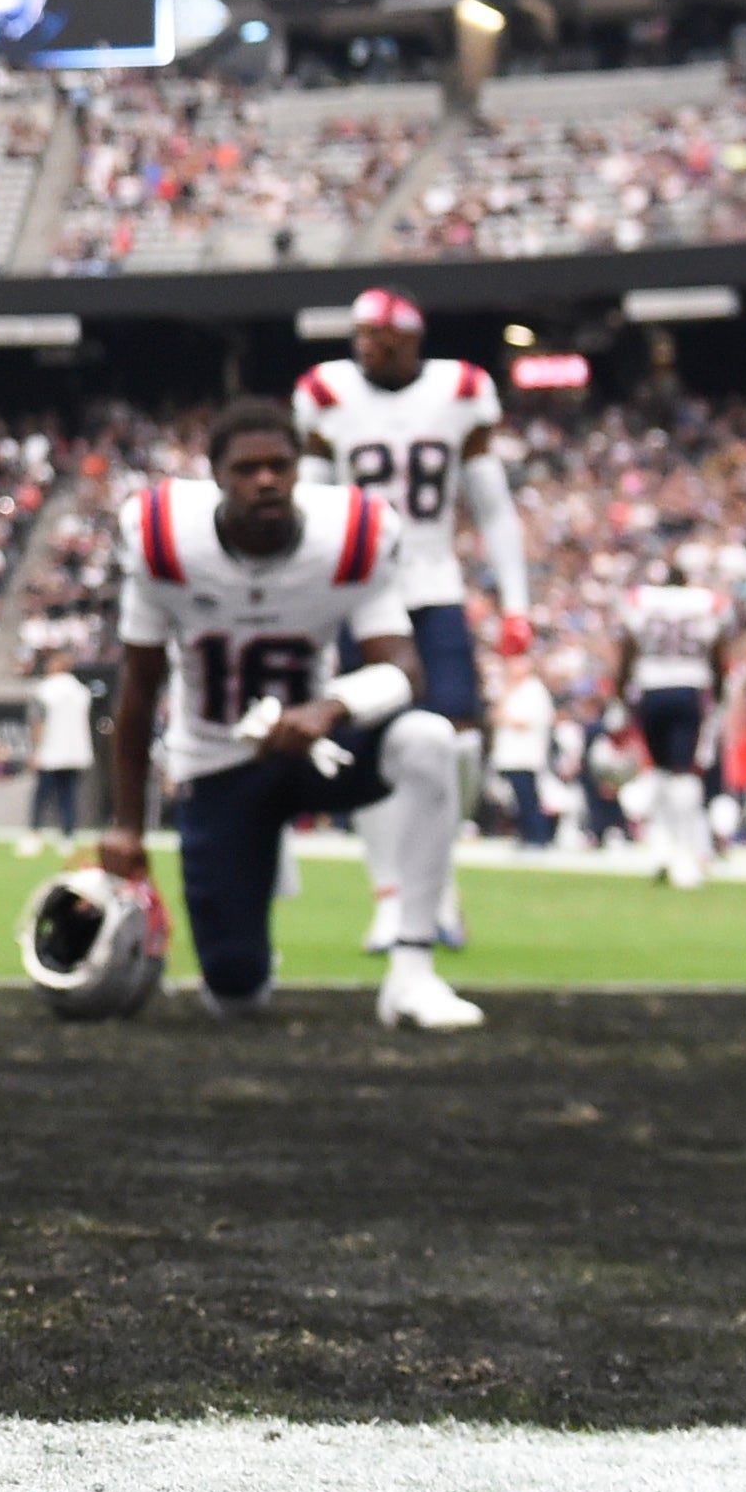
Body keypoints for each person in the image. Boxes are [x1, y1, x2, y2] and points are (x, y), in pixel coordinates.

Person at [99, 398, 476, 1030]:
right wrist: (127, 827)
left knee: (429, 739)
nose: (266, 480)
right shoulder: (163, 537)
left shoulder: (351, 533)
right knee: (236, 996)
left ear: (301, 469)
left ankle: (413, 968)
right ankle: (247, 927)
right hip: (219, 764)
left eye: (280, 465)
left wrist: (331, 707)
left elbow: (405, 670)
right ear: (216, 475)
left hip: (316, 753)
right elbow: (138, 691)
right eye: (248, 469)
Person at [294, 290, 525, 955]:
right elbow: (310, 507)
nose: (365, 346)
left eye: (379, 336)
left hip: (432, 585)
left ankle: (436, 886)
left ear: (411, 339)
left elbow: (492, 505)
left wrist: (516, 602)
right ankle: (390, 897)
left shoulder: (459, 390)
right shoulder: (325, 392)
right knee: (367, 747)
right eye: (358, 334)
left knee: (455, 744)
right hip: (358, 593)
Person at [618, 552, 728, 888]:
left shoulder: (642, 600)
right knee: (682, 771)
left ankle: (664, 850)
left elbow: (629, 646)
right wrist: (718, 691)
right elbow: (718, 650)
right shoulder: (704, 603)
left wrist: (621, 688)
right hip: (688, 686)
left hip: (651, 687)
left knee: (663, 770)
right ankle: (682, 853)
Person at [490, 650, 557, 846]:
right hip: (511, 754)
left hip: (525, 754)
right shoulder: (510, 689)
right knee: (518, 799)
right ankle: (526, 833)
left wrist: (505, 718)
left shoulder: (534, 690)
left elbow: (526, 721)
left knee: (528, 798)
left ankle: (538, 836)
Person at [24, 660, 93, 846]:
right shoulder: (81, 691)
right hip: (75, 752)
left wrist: (36, 750)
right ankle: (67, 836)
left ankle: (34, 834)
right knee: (68, 796)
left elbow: (38, 722)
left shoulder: (45, 690)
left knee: (42, 796)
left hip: (50, 752)